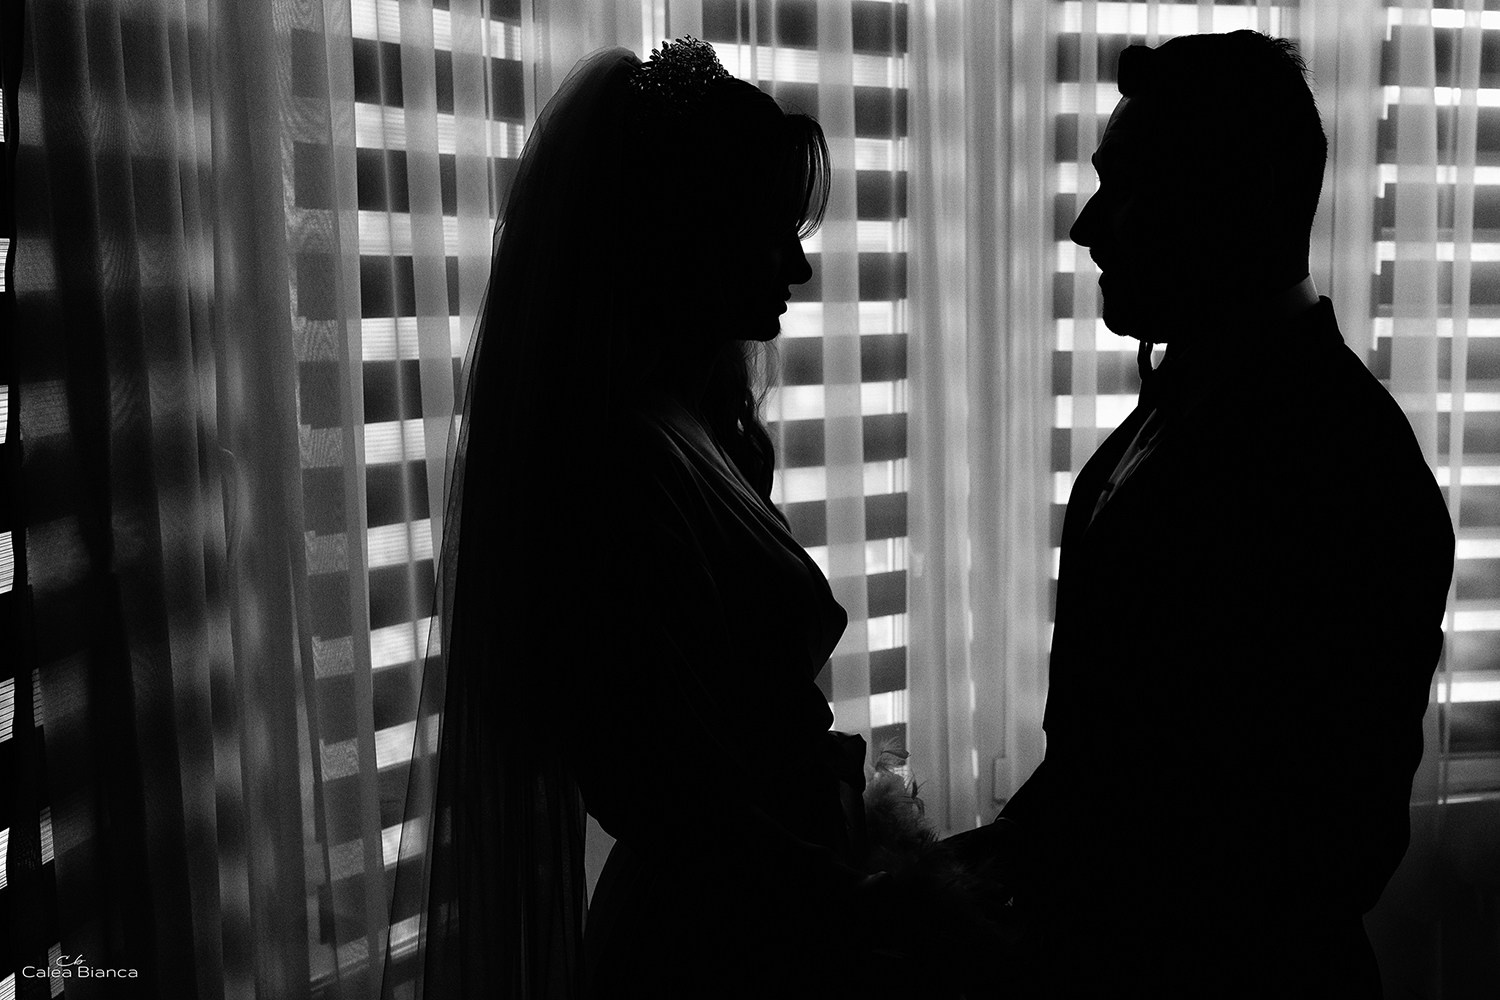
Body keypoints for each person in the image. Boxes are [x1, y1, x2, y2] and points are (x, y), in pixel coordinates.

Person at [381, 39, 998, 1000]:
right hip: (715, 947)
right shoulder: (621, 464)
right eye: (770, 233)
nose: (799, 266)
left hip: (763, 916)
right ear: (689, 236)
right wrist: (858, 906)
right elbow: (660, 785)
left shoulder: (685, 431)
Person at [995, 30, 1456, 997]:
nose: (1085, 226)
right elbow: (1105, 752)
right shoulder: (1171, 411)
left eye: (1126, 188)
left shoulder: (1346, 466)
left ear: (1230, 201)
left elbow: (1327, 845)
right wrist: (978, 865)